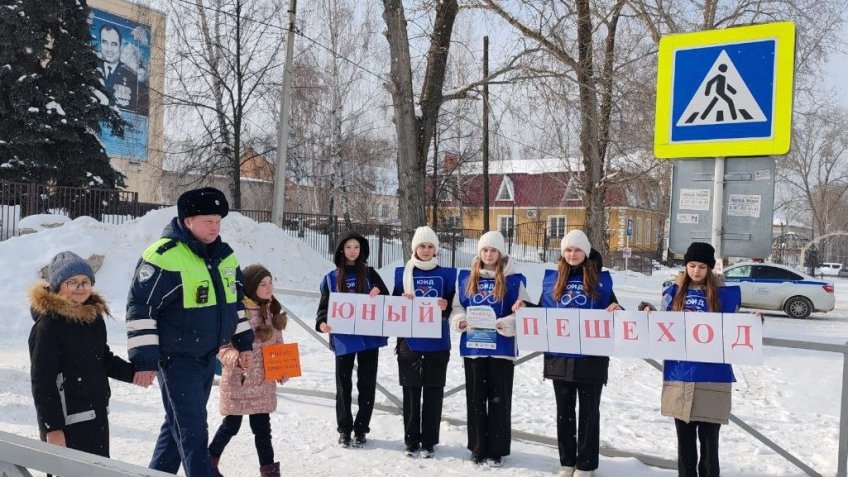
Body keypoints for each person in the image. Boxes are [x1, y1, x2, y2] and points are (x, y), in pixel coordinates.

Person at [126, 187, 254, 477]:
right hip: (176, 359)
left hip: (207, 356)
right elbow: (141, 308)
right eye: (208, 221)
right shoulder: (162, 256)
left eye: (218, 221)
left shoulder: (225, 256)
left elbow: (236, 304)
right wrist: (144, 360)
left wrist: (244, 343)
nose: (215, 227)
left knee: (177, 428)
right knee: (193, 430)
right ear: (187, 221)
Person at [518, 230, 621, 477]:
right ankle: (567, 462)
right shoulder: (553, 280)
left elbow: (615, 310)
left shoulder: (601, 281)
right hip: (560, 358)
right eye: (568, 250)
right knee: (564, 412)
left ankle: (586, 464)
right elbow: (543, 312)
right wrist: (525, 307)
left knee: (589, 413)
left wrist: (618, 309)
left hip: (591, 359)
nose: (572, 254)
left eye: (577, 250)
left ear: (586, 252)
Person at [29, 251, 148, 459]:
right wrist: (52, 429)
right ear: (58, 286)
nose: (80, 288)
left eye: (85, 282)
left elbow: (102, 358)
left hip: (96, 416)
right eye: (72, 283)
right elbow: (42, 382)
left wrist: (134, 373)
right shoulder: (48, 326)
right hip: (66, 425)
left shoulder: (92, 318)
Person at [642, 242, 741, 477]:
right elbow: (664, 325)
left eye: (702, 267)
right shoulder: (674, 293)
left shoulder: (723, 295)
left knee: (709, 445)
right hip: (681, 375)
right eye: (692, 265)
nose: (696, 271)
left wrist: (755, 321)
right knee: (685, 446)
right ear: (686, 266)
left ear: (710, 268)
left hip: (712, 377)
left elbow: (736, 327)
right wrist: (648, 312)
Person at [449, 231, 529, 468]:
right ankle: (477, 446)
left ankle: (496, 449)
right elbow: (457, 307)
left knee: (499, 400)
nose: (489, 254)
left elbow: (523, 311)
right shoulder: (466, 278)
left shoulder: (515, 280)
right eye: (485, 250)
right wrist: (460, 321)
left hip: (501, 348)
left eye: (493, 250)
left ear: (500, 253)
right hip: (474, 347)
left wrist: (508, 323)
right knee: (475, 398)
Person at [209, 264, 288, 477]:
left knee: (263, 429)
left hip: (263, 382)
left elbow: (278, 343)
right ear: (252, 287)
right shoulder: (236, 312)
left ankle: (269, 472)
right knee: (231, 425)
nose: (269, 287)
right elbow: (222, 348)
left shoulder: (271, 310)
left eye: (270, 282)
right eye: (263, 284)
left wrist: (282, 368)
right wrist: (236, 358)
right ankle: (209, 461)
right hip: (239, 381)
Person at [316, 231, 390, 448]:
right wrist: (322, 323)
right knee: (343, 385)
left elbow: (387, 300)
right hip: (344, 338)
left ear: (362, 250)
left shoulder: (370, 274)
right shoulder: (331, 278)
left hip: (369, 337)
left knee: (367, 384)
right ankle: (344, 429)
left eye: (356, 247)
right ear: (341, 250)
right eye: (348, 247)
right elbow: (324, 308)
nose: (352, 251)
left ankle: (361, 429)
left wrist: (379, 292)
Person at [392, 226, 456, 459]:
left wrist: (446, 305)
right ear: (414, 248)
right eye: (422, 246)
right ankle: (411, 440)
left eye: (430, 246)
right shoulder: (403, 274)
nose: (426, 250)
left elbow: (456, 304)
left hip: (437, 343)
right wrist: (402, 300)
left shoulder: (447, 275)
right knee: (410, 394)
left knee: (433, 394)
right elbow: (392, 307)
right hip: (409, 343)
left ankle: (429, 441)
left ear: (435, 249)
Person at [98, 24, 140, 112]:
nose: (109, 49)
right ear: (100, 43)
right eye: (105, 42)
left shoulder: (131, 76)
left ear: (120, 46)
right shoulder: (90, 67)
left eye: (114, 44)